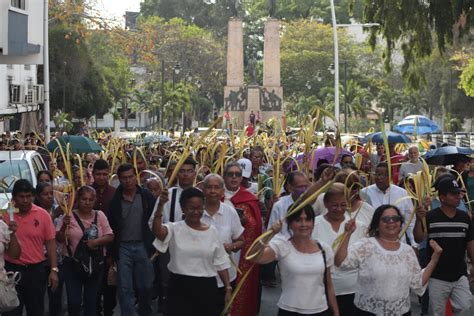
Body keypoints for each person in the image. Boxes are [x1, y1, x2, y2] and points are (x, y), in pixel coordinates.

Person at [335, 205, 443, 315]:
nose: (391, 222)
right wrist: (347, 234)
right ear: (377, 224)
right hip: (368, 312)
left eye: (395, 219)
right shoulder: (366, 245)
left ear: (400, 223)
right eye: (386, 219)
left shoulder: (407, 251)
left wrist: (434, 259)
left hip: (401, 312)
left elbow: (417, 284)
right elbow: (341, 262)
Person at [151, 187, 232, 316]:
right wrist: (160, 206)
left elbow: (221, 262)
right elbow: (157, 232)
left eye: (199, 208)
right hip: (179, 287)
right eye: (191, 208)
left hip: (206, 289)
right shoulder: (174, 228)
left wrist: (228, 287)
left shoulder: (212, 232)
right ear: (183, 208)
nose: (196, 212)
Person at [250, 206, 340, 316]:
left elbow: (329, 284)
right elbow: (253, 256)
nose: (303, 224)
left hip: (321, 310)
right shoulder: (282, 246)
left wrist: (335, 311)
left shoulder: (324, 248)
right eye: (298, 220)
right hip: (290, 310)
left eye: (307, 219)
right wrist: (270, 234)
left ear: (313, 223)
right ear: (290, 224)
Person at [414, 176, 474, 315]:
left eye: (459, 193)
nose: (458, 196)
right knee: (437, 312)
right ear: (442, 197)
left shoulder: (464, 217)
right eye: (453, 194)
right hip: (436, 276)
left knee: (465, 307)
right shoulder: (430, 216)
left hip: (460, 274)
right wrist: (418, 219)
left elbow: (470, 241)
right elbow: (418, 238)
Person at [3, 179, 59, 316]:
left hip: (35, 271)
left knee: (36, 310)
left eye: (29, 196)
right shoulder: (5, 216)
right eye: (21, 197)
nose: (25, 200)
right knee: (11, 311)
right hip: (11, 271)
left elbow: (51, 243)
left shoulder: (42, 215)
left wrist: (54, 269)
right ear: (14, 197)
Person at [107, 163, 157, 316]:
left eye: (131, 177)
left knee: (145, 286)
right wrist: (112, 253)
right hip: (123, 248)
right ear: (119, 180)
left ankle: (144, 312)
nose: (128, 181)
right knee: (125, 288)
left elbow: (154, 219)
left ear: (136, 177)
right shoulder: (115, 201)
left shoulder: (146, 196)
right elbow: (112, 226)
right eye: (124, 178)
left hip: (143, 245)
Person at [56, 186, 114, 316]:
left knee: (91, 301)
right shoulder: (68, 215)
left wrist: (96, 242)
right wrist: (65, 225)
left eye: (90, 199)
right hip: (72, 264)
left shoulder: (100, 216)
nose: (87, 202)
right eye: (84, 199)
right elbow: (59, 239)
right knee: (74, 301)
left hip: (94, 263)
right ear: (78, 200)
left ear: (95, 201)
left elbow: (110, 235)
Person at [313, 183, 367, 315]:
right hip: (321, 292)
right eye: (334, 204)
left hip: (353, 291)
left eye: (343, 205)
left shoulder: (359, 227)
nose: (338, 209)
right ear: (325, 203)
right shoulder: (314, 225)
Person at [222, 162, 261, 316]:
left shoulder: (250, 199)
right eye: (230, 174)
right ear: (224, 176)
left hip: (241, 254)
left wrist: (246, 221)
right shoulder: (215, 195)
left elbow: (256, 226)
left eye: (237, 174)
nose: (234, 177)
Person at [201, 174, 245, 312]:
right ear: (203, 189)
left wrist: (231, 246)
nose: (213, 191)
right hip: (201, 275)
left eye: (217, 187)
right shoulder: (195, 211)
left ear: (222, 190)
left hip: (226, 277)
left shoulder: (230, 212)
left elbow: (241, 240)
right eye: (209, 187)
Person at [360, 162, 416, 245]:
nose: (379, 178)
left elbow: (410, 220)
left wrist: (413, 242)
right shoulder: (365, 193)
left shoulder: (402, 193)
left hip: (399, 242)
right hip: (374, 243)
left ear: (390, 176)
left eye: (383, 175)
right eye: (377, 174)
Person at [91, 159, 117, 316]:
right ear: (93, 174)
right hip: (91, 248)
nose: (101, 177)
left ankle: (109, 311)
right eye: (98, 174)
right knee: (93, 285)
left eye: (104, 174)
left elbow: (118, 223)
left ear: (109, 174)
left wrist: (113, 253)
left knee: (110, 284)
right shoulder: (86, 193)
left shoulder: (114, 194)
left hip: (110, 246)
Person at [35, 182, 63, 316]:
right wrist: (53, 216)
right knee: (37, 297)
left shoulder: (59, 209)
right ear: (38, 196)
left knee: (55, 296)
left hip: (55, 259)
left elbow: (60, 235)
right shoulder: (34, 212)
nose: (49, 197)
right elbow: (40, 229)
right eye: (45, 194)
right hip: (39, 259)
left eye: (51, 193)